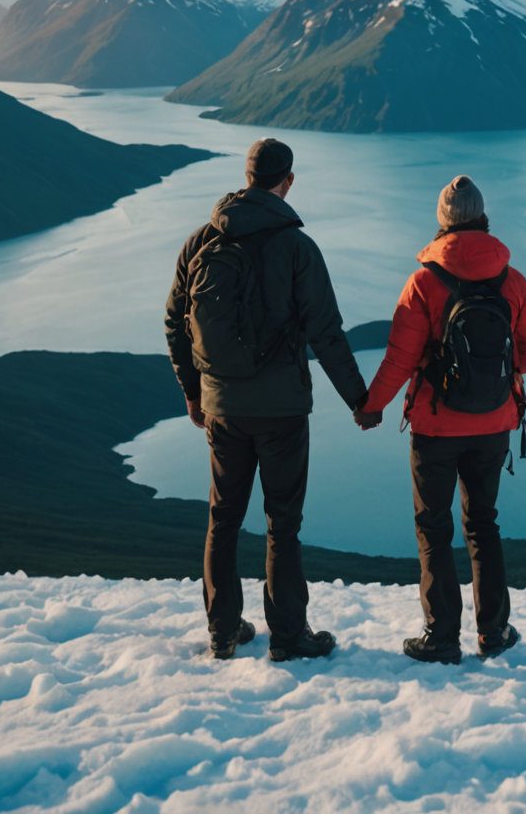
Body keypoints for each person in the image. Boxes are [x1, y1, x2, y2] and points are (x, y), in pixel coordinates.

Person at [164, 138, 367, 662]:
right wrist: (360, 400)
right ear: (288, 180)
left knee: (223, 518)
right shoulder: (297, 248)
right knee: (283, 525)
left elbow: (175, 323)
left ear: (247, 175)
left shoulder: (201, 241)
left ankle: (223, 630)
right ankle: (288, 635)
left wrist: (193, 392)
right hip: (282, 412)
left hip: (223, 409)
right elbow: (326, 333)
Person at [356, 174, 526, 664]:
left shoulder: (424, 282)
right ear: (484, 218)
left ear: (442, 222)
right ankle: (494, 633)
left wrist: (372, 406)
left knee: (434, 528)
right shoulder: (513, 280)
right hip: (494, 423)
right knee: (483, 524)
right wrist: (496, 375)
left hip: (436, 426)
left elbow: (399, 358)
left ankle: (441, 637)